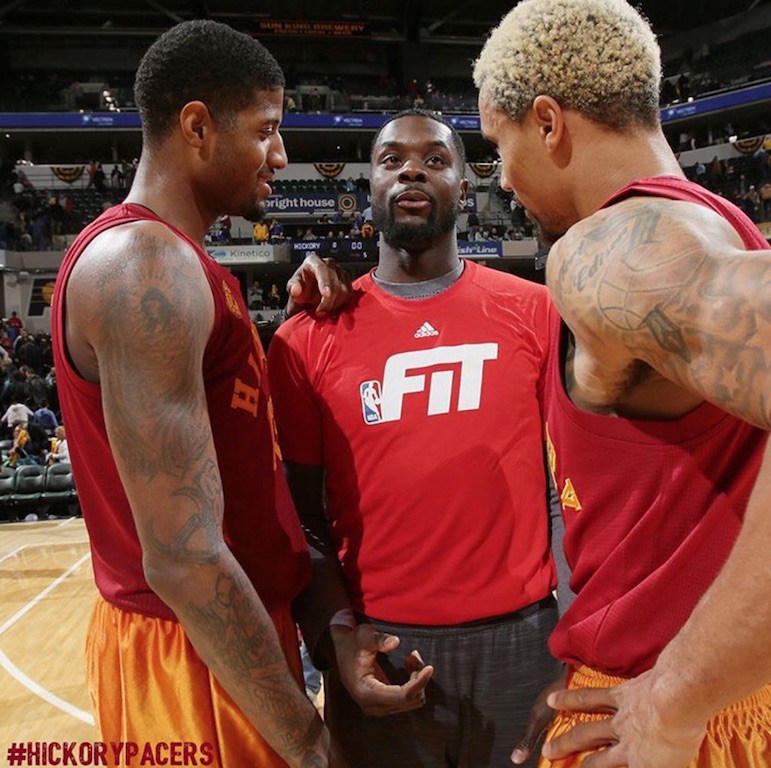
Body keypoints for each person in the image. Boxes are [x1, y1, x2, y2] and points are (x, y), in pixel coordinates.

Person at [473, 1, 771, 766]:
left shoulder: (608, 245)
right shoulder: (717, 225)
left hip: (681, 719)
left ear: (547, 122)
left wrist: (675, 694)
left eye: (495, 146)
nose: (501, 179)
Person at [51, 20, 350, 768]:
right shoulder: (144, 265)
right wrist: (309, 741)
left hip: (219, 637)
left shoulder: (177, 265)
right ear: (195, 126)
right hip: (193, 652)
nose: (281, 156)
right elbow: (183, 558)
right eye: (266, 130)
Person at [268, 110, 562, 768]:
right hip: (382, 648)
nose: (410, 169)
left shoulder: (535, 312)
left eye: (434, 160)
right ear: (367, 188)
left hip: (525, 642)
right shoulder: (303, 341)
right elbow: (304, 520)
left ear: (464, 188)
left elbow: (564, 491)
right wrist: (336, 639)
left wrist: (574, 643)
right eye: (391, 159)